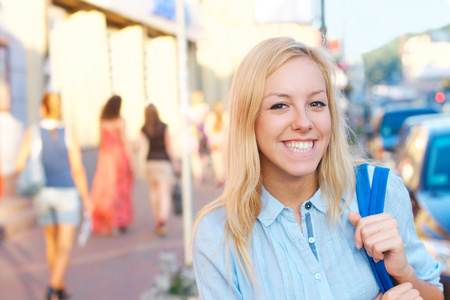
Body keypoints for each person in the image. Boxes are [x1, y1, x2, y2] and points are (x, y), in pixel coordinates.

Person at [192, 37, 444, 300]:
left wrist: (404, 273)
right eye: (280, 105)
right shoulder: (218, 234)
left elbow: (435, 294)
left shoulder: (380, 191)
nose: (304, 122)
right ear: (249, 119)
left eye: (316, 103)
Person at [15, 93, 91, 300]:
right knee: (64, 246)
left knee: (51, 244)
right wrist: (86, 199)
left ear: (43, 108)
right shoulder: (68, 133)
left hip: (42, 194)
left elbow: (19, 164)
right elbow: (77, 168)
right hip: (66, 193)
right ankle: (51, 288)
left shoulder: (33, 132)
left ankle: (59, 288)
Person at [90, 95, 134, 236]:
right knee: (120, 191)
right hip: (118, 158)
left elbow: (100, 141)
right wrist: (132, 161)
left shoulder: (103, 121)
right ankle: (117, 221)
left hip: (105, 158)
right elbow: (125, 142)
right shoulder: (120, 122)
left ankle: (109, 221)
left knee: (105, 191)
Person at [135, 103, 180, 236]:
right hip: (163, 163)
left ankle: (157, 219)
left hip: (150, 163)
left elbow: (139, 146)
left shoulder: (144, 128)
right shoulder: (164, 127)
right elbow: (168, 147)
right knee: (163, 192)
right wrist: (175, 162)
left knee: (153, 192)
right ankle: (162, 220)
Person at [204, 99, 228, 187]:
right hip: (224, 140)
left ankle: (219, 178)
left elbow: (207, 130)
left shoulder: (210, 116)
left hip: (214, 140)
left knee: (216, 160)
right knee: (224, 160)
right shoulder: (226, 115)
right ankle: (224, 177)